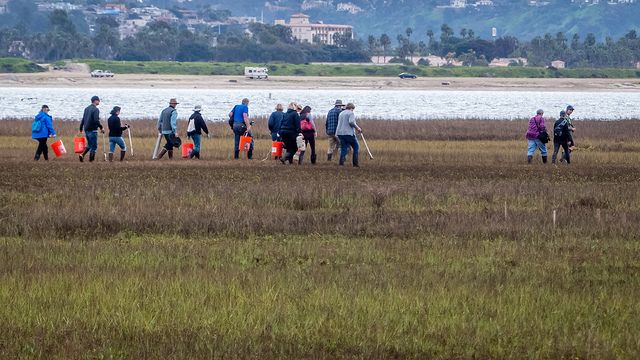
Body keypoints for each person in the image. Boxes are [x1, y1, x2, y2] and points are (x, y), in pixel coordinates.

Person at [336, 103, 362, 167]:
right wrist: (358, 128)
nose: (353, 110)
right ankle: (355, 163)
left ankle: (341, 163)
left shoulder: (341, 113)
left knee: (344, 148)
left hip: (340, 133)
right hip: (348, 133)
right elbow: (351, 122)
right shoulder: (351, 113)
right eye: (353, 109)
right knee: (356, 147)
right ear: (351, 108)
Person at [78, 95, 104, 162]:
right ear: (95, 101)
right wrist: (101, 127)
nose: (99, 101)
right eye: (98, 100)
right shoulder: (96, 109)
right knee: (94, 146)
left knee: (89, 144)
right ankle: (91, 161)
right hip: (93, 130)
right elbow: (96, 120)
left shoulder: (86, 108)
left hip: (86, 129)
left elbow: (83, 119)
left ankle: (82, 155)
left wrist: (81, 128)